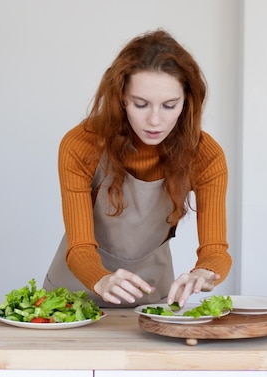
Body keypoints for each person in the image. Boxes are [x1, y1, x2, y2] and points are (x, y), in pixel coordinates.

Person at [44, 29, 231, 308]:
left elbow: (215, 250)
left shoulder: (205, 155)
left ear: (187, 101)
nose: (155, 120)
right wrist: (101, 279)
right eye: (141, 104)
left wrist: (204, 272)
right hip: (72, 300)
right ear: (121, 98)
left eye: (169, 105)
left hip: (152, 299)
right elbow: (79, 248)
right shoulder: (81, 145)